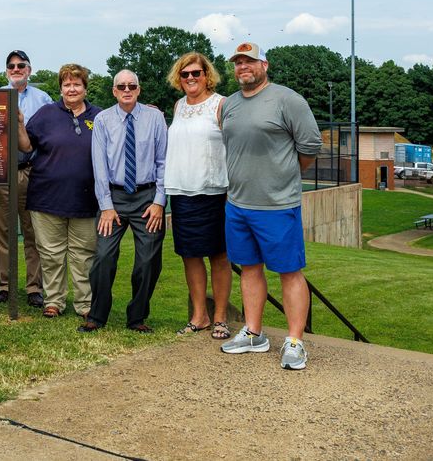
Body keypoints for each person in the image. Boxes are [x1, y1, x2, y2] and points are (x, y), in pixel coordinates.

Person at [219, 42, 322, 370]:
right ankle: (254, 333)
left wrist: (284, 176)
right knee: (249, 268)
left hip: (277, 205)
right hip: (238, 203)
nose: (242, 67)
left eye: (249, 61)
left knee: (289, 272)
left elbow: (309, 146)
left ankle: (295, 341)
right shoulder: (230, 104)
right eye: (238, 62)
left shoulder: (288, 100)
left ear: (264, 65)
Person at [80, 70, 167, 333]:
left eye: (132, 86)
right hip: (114, 197)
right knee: (104, 257)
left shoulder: (155, 118)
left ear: (139, 90)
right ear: (114, 90)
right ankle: (97, 315)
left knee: (147, 260)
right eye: (121, 86)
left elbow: (164, 161)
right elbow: (100, 166)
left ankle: (137, 317)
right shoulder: (103, 120)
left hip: (147, 197)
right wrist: (106, 207)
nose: (127, 90)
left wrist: (160, 202)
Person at [17, 63, 101, 319]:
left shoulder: (100, 117)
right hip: (46, 196)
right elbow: (26, 145)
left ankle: (85, 304)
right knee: (51, 254)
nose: (71, 88)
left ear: (85, 88)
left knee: (83, 255)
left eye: (77, 84)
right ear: (61, 88)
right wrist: (20, 124)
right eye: (67, 84)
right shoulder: (45, 114)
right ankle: (53, 301)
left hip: (86, 198)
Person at [163, 52, 233, 339]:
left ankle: (220, 318)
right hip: (181, 191)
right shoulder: (179, 106)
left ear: (207, 76)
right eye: (185, 74)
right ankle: (199, 316)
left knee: (219, 256)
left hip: (213, 191)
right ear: (178, 79)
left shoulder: (222, 105)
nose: (191, 78)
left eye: (196, 73)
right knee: (189, 255)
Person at [0, 50, 52, 307]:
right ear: (6, 70)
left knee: (33, 232)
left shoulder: (43, 99)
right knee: (1, 232)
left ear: (29, 69)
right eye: (11, 65)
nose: (16, 69)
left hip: (30, 171)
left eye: (20, 65)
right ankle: (5, 285)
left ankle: (34, 287)